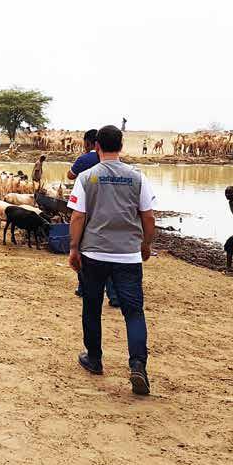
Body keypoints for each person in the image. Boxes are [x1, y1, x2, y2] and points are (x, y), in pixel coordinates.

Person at [67, 125, 156, 395]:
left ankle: (94, 359)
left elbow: (78, 216)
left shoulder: (86, 177)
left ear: (97, 147)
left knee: (92, 306)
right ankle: (138, 364)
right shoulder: (137, 177)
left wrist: (74, 248)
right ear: (121, 146)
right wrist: (146, 244)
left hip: (94, 253)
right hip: (128, 255)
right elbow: (148, 216)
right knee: (133, 312)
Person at [67, 130, 116, 306]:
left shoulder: (84, 159)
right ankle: (114, 295)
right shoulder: (113, 162)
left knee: (83, 250)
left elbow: (70, 175)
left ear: (90, 144)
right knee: (109, 252)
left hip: (87, 210)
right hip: (109, 210)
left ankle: (84, 288)